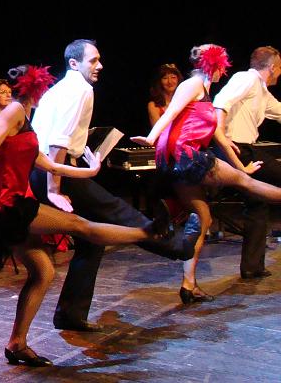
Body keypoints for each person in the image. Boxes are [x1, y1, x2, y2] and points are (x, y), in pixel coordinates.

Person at [0, 64, 169, 367]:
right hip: (7, 203)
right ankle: (148, 232)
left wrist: (91, 170)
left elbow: (50, 165)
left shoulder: (26, 122)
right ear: (34, 89)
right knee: (79, 225)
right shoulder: (14, 111)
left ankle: (17, 344)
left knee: (44, 272)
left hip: (10, 202)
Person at [29, 39, 197, 332]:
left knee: (92, 241)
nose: (100, 66)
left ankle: (70, 313)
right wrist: (54, 189)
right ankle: (177, 245)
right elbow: (57, 142)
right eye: (93, 61)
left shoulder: (58, 89)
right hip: (56, 172)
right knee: (115, 210)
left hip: (44, 170)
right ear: (74, 63)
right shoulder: (81, 90)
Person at [132, 44, 281, 303]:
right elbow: (172, 112)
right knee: (246, 183)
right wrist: (151, 137)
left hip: (182, 159)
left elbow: (218, 135)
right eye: (222, 66)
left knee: (203, 218)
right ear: (213, 65)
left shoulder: (205, 90)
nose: (224, 71)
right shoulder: (192, 85)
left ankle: (188, 285)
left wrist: (240, 165)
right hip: (186, 157)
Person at [213, 46, 281, 279]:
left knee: (257, 203)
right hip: (236, 149)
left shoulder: (261, 91)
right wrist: (221, 134)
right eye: (279, 68)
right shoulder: (246, 78)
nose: (280, 73)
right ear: (272, 68)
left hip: (245, 149)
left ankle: (252, 266)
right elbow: (221, 101)